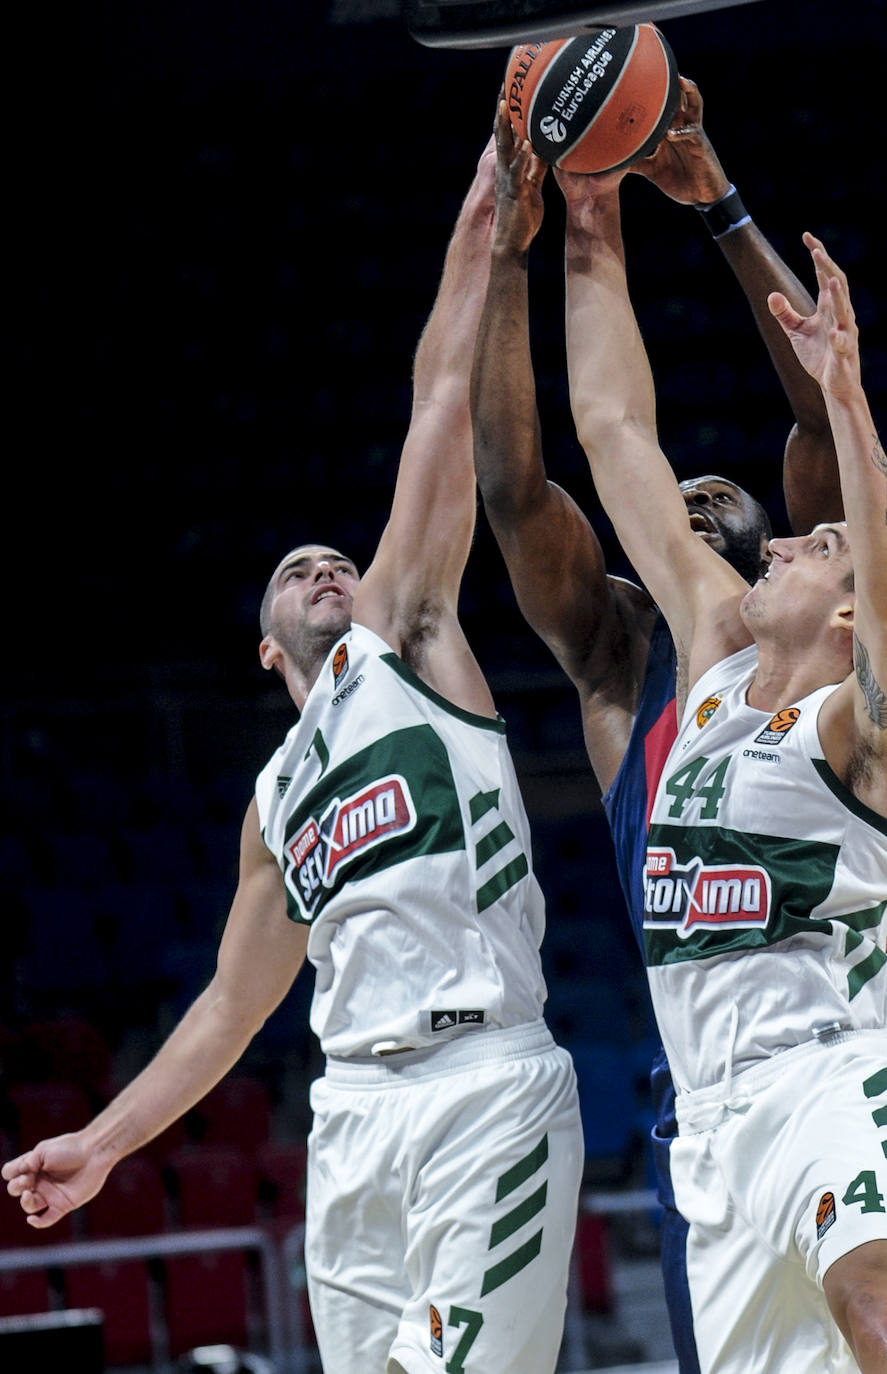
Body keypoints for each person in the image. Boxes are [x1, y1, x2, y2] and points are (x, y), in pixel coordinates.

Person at [2, 141, 584, 1374]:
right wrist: (104, 1143)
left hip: (483, 1077)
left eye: (339, 561)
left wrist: (485, 223)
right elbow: (231, 1003)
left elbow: (438, 402)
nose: (324, 569)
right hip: (352, 1110)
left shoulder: (410, 646)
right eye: (291, 570)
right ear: (265, 651)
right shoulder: (274, 801)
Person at [473, 88, 887, 1372]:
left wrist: (849, 406)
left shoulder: (874, 739)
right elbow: (613, 432)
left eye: (819, 545)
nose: (788, 532)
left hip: (833, 1079)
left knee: (883, 1314)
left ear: (860, 610)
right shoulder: (710, 657)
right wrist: (589, 214)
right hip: (709, 1125)